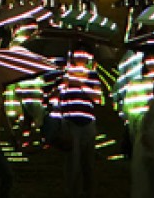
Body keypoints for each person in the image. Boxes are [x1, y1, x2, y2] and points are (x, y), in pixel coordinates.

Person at [50, 49, 102, 198]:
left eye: (83, 55)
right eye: (77, 54)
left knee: (88, 162)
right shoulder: (65, 75)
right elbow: (56, 97)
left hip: (88, 122)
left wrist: (80, 84)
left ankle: (89, 191)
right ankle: (72, 191)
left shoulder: (92, 75)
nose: (80, 57)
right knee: (72, 162)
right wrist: (63, 85)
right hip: (70, 122)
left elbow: (97, 98)